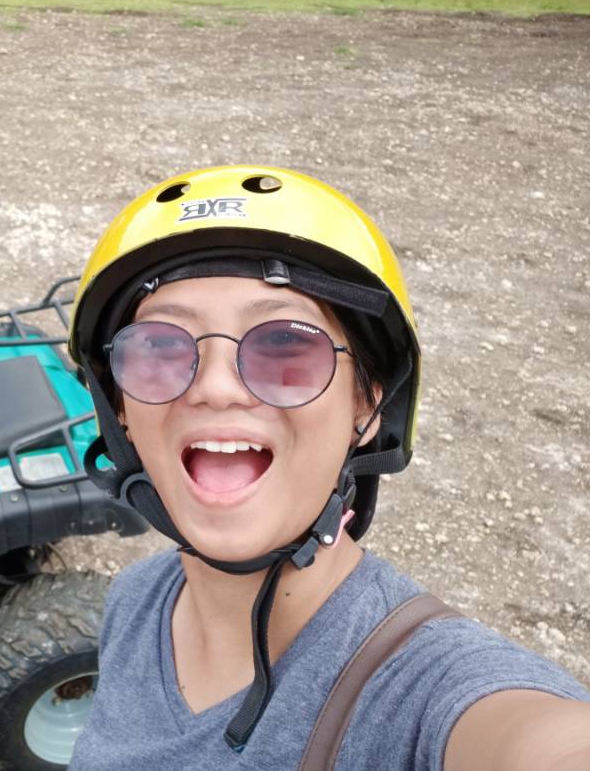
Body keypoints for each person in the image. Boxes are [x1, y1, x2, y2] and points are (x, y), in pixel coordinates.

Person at [64, 166, 590, 770]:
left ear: (366, 405)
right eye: (158, 346)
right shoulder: (138, 600)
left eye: (285, 346)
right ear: (120, 409)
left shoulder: (423, 695)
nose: (214, 388)